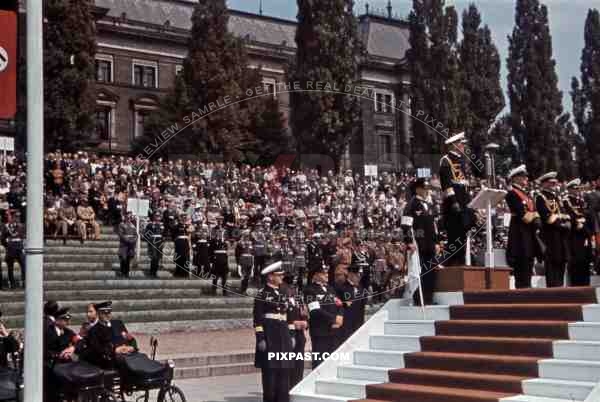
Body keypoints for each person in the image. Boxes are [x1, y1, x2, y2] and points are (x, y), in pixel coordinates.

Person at [253, 261, 294, 402]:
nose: (281, 277)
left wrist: (292, 334)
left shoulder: (284, 292)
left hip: (283, 335)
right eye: (278, 275)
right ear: (270, 276)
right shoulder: (262, 294)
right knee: (270, 375)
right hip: (270, 335)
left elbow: (288, 316)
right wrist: (261, 338)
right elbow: (257, 319)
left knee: (284, 373)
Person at [505, 165, 542, 288]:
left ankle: (527, 289)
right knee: (521, 265)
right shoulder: (512, 194)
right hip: (519, 233)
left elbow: (534, 210)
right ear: (515, 178)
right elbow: (523, 214)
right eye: (523, 177)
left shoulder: (526, 194)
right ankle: (522, 292)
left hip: (528, 233)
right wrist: (534, 217)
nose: (526, 178)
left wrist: (536, 218)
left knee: (528, 263)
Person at [439, 132, 473, 266]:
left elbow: (464, 184)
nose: (463, 146)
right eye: (461, 143)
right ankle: (451, 264)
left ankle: (460, 263)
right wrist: (454, 202)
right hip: (453, 205)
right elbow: (446, 184)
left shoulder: (462, 160)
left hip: (464, 203)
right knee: (454, 236)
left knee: (463, 237)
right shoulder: (446, 160)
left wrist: (470, 202)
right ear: (454, 145)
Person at [402, 178, 438, 304]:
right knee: (419, 271)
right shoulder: (412, 204)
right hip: (418, 244)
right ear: (418, 189)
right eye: (425, 188)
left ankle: (428, 298)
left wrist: (437, 241)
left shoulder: (429, 205)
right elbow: (406, 224)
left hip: (430, 244)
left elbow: (433, 225)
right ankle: (418, 299)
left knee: (430, 271)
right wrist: (409, 241)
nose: (427, 190)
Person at [303, 264, 343, 369]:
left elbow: (339, 304)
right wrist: (333, 320)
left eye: (327, 272)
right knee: (320, 362)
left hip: (334, 331)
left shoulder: (330, 288)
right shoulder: (310, 290)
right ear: (316, 275)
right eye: (323, 273)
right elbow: (315, 310)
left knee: (332, 362)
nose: (327, 275)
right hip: (320, 331)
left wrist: (340, 316)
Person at [535, 172, 571, 287]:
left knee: (561, 263)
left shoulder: (556, 197)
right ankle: (553, 292)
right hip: (550, 235)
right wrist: (562, 224)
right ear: (544, 183)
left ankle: (560, 290)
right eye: (551, 183)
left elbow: (565, 214)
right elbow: (547, 217)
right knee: (552, 266)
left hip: (561, 235)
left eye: (555, 183)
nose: (554, 185)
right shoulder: (541, 197)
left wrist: (566, 222)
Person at [564, 178, 593, 286]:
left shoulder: (581, 202)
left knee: (585, 263)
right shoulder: (566, 201)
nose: (577, 190)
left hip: (585, 234)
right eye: (575, 188)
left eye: (578, 188)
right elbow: (571, 216)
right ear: (569, 189)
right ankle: (577, 287)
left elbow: (587, 217)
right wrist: (579, 223)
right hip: (574, 236)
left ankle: (585, 285)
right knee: (576, 263)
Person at [1, 210, 26, 289]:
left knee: (24, 266)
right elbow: (3, 239)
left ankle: (24, 282)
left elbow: (22, 237)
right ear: (12, 217)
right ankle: (12, 284)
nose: (17, 218)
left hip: (19, 248)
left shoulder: (21, 226)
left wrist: (22, 245)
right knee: (10, 267)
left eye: (18, 217)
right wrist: (7, 245)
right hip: (11, 248)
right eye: (16, 216)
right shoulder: (6, 226)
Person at [210, 224, 229, 295]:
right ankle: (213, 291)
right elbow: (210, 252)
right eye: (219, 232)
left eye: (221, 232)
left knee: (224, 279)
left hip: (224, 262)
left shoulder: (225, 242)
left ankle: (225, 292)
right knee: (215, 278)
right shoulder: (213, 241)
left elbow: (227, 253)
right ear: (217, 233)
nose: (220, 233)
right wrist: (211, 262)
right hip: (216, 261)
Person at [144, 212, 164, 278]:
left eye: (159, 216)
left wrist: (163, 241)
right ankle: (152, 271)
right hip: (153, 241)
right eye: (156, 216)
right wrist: (150, 240)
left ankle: (155, 272)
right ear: (154, 217)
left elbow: (164, 234)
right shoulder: (150, 224)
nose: (158, 217)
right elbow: (146, 233)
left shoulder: (161, 225)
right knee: (154, 256)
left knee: (158, 257)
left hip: (160, 241)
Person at [118, 212, 138, 278]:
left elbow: (136, 234)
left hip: (131, 244)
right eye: (128, 217)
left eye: (130, 218)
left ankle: (127, 272)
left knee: (129, 258)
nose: (129, 219)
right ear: (125, 217)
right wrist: (127, 240)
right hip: (124, 244)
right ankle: (122, 271)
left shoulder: (133, 225)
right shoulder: (122, 224)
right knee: (123, 258)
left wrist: (134, 240)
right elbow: (121, 234)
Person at [236, 229, 254, 295]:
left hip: (249, 260)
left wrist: (252, 262)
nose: (247, 237)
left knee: (248, 277)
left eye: (248, 235)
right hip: (243, 260)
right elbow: (237, 253)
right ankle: (242, 289)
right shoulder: (240, 243)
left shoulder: (251, 243)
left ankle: (244, 289)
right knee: (243, 276)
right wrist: (238, 262)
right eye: (246, 235)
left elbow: (252, 253)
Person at [173, 213, 191, 278]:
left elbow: (190, 235)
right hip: (179, 242)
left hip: (185, 242)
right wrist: (176, 241)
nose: (184, 219)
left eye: (185, 218)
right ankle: (178, 271)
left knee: (186, 257)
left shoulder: (187, 226)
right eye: (183, 218)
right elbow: (174, 234)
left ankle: (186, 272)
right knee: (179, 256)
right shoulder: (177, 226)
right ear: (180, 218)